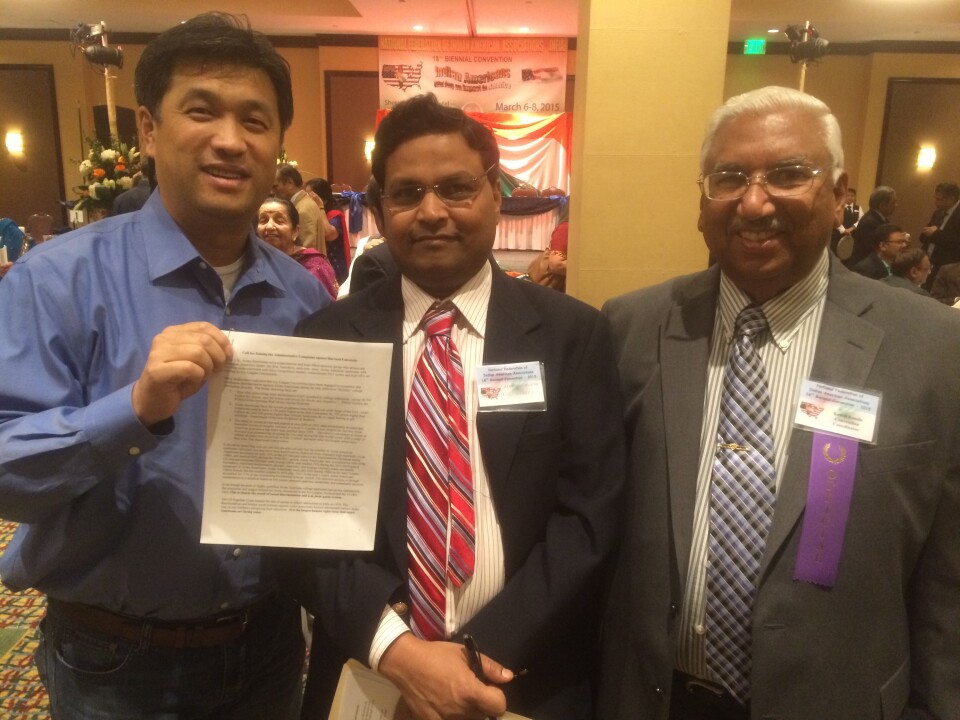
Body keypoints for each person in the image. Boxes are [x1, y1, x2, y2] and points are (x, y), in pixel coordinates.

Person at [0, 13, 328, 718]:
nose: (231, 141)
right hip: (116, 664)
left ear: (276, 145)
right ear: (148, 130)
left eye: (256, 121)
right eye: (201, 111)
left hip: (268, 647)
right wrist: (135, 408)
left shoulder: (302, 296)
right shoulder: (58, 280)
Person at [598, 86, 960, 720]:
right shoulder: (631, 328)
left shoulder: (934, 347)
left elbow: (948, 581)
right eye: (729, 177)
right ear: (703, 198)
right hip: (655, 701)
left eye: (790, 174)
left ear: (842, 194)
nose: (755, 202)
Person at [283, 92, 625, 720]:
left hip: (526, 676)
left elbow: (590, 515)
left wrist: (486, 647)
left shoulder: (573, 335)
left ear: (495, 193)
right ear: (382, 210)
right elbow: (306, 526)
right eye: (408, 193)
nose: (432, 212)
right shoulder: (327, 340)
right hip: (374, 674)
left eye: (456, 189)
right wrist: (401, 651)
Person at [257, 196, 338, 299]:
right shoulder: (252, 262)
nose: (269, 226)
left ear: (295, 231)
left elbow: (328, 309)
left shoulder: (314, 266)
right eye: (263, 220)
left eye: (279, 220)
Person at [274, 162, 338, 251]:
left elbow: (307, 250)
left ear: (290, 183)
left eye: (275, 186)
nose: (272, 191)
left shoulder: (303, 209)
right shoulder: (302, 203)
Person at [306, 177, 352, 284]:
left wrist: (320, 207)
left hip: (336, 270)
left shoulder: (334, 215)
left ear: (324, 199)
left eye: (310, 196)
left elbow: (329, 234)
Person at [919, 181, 960, 279]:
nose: (936, 203)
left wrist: (936, 234)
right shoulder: (938, 213)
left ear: (951, 199)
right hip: (928, 261)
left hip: (946, 267)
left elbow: (957, 243)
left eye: (939, 200)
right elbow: (923, 237)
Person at [848, 185, 897, 267]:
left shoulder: (881, 220)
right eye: (893, 202)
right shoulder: (869, 222)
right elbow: (874, 251)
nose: (896, 205)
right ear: (882, 205)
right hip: (865, 270)